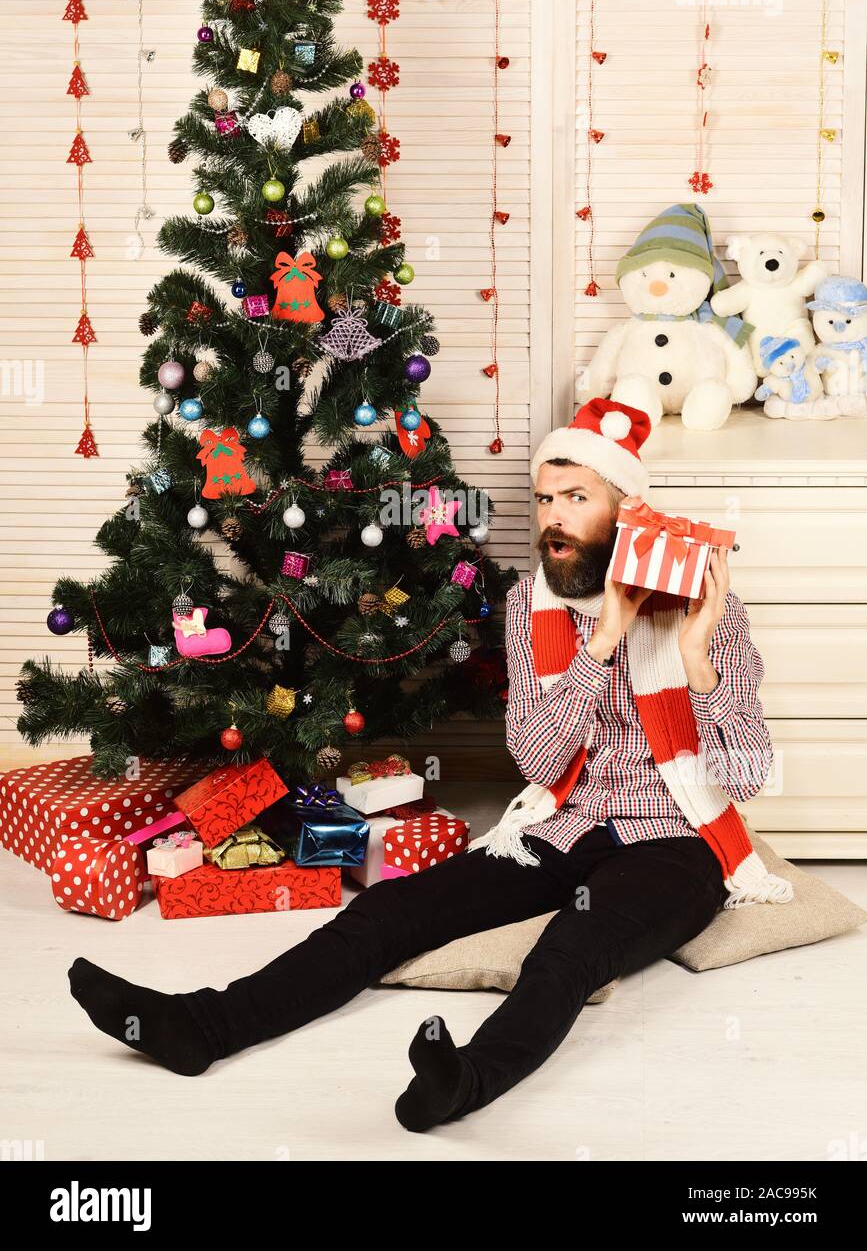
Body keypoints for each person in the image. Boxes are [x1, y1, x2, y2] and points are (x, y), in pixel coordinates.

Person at [67, 397, 776, 1133]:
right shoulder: (531, 604)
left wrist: (696, 662)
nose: (552, 518)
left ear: (627, 511)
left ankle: (466, 1080)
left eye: (574, 498)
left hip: (673, 841)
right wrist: (599, 648)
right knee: (387, 909)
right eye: (542, 500)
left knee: (574, 943)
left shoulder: (705, 607)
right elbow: (537, 758)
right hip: (561, 824)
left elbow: (747, 772)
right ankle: (201, 1028)